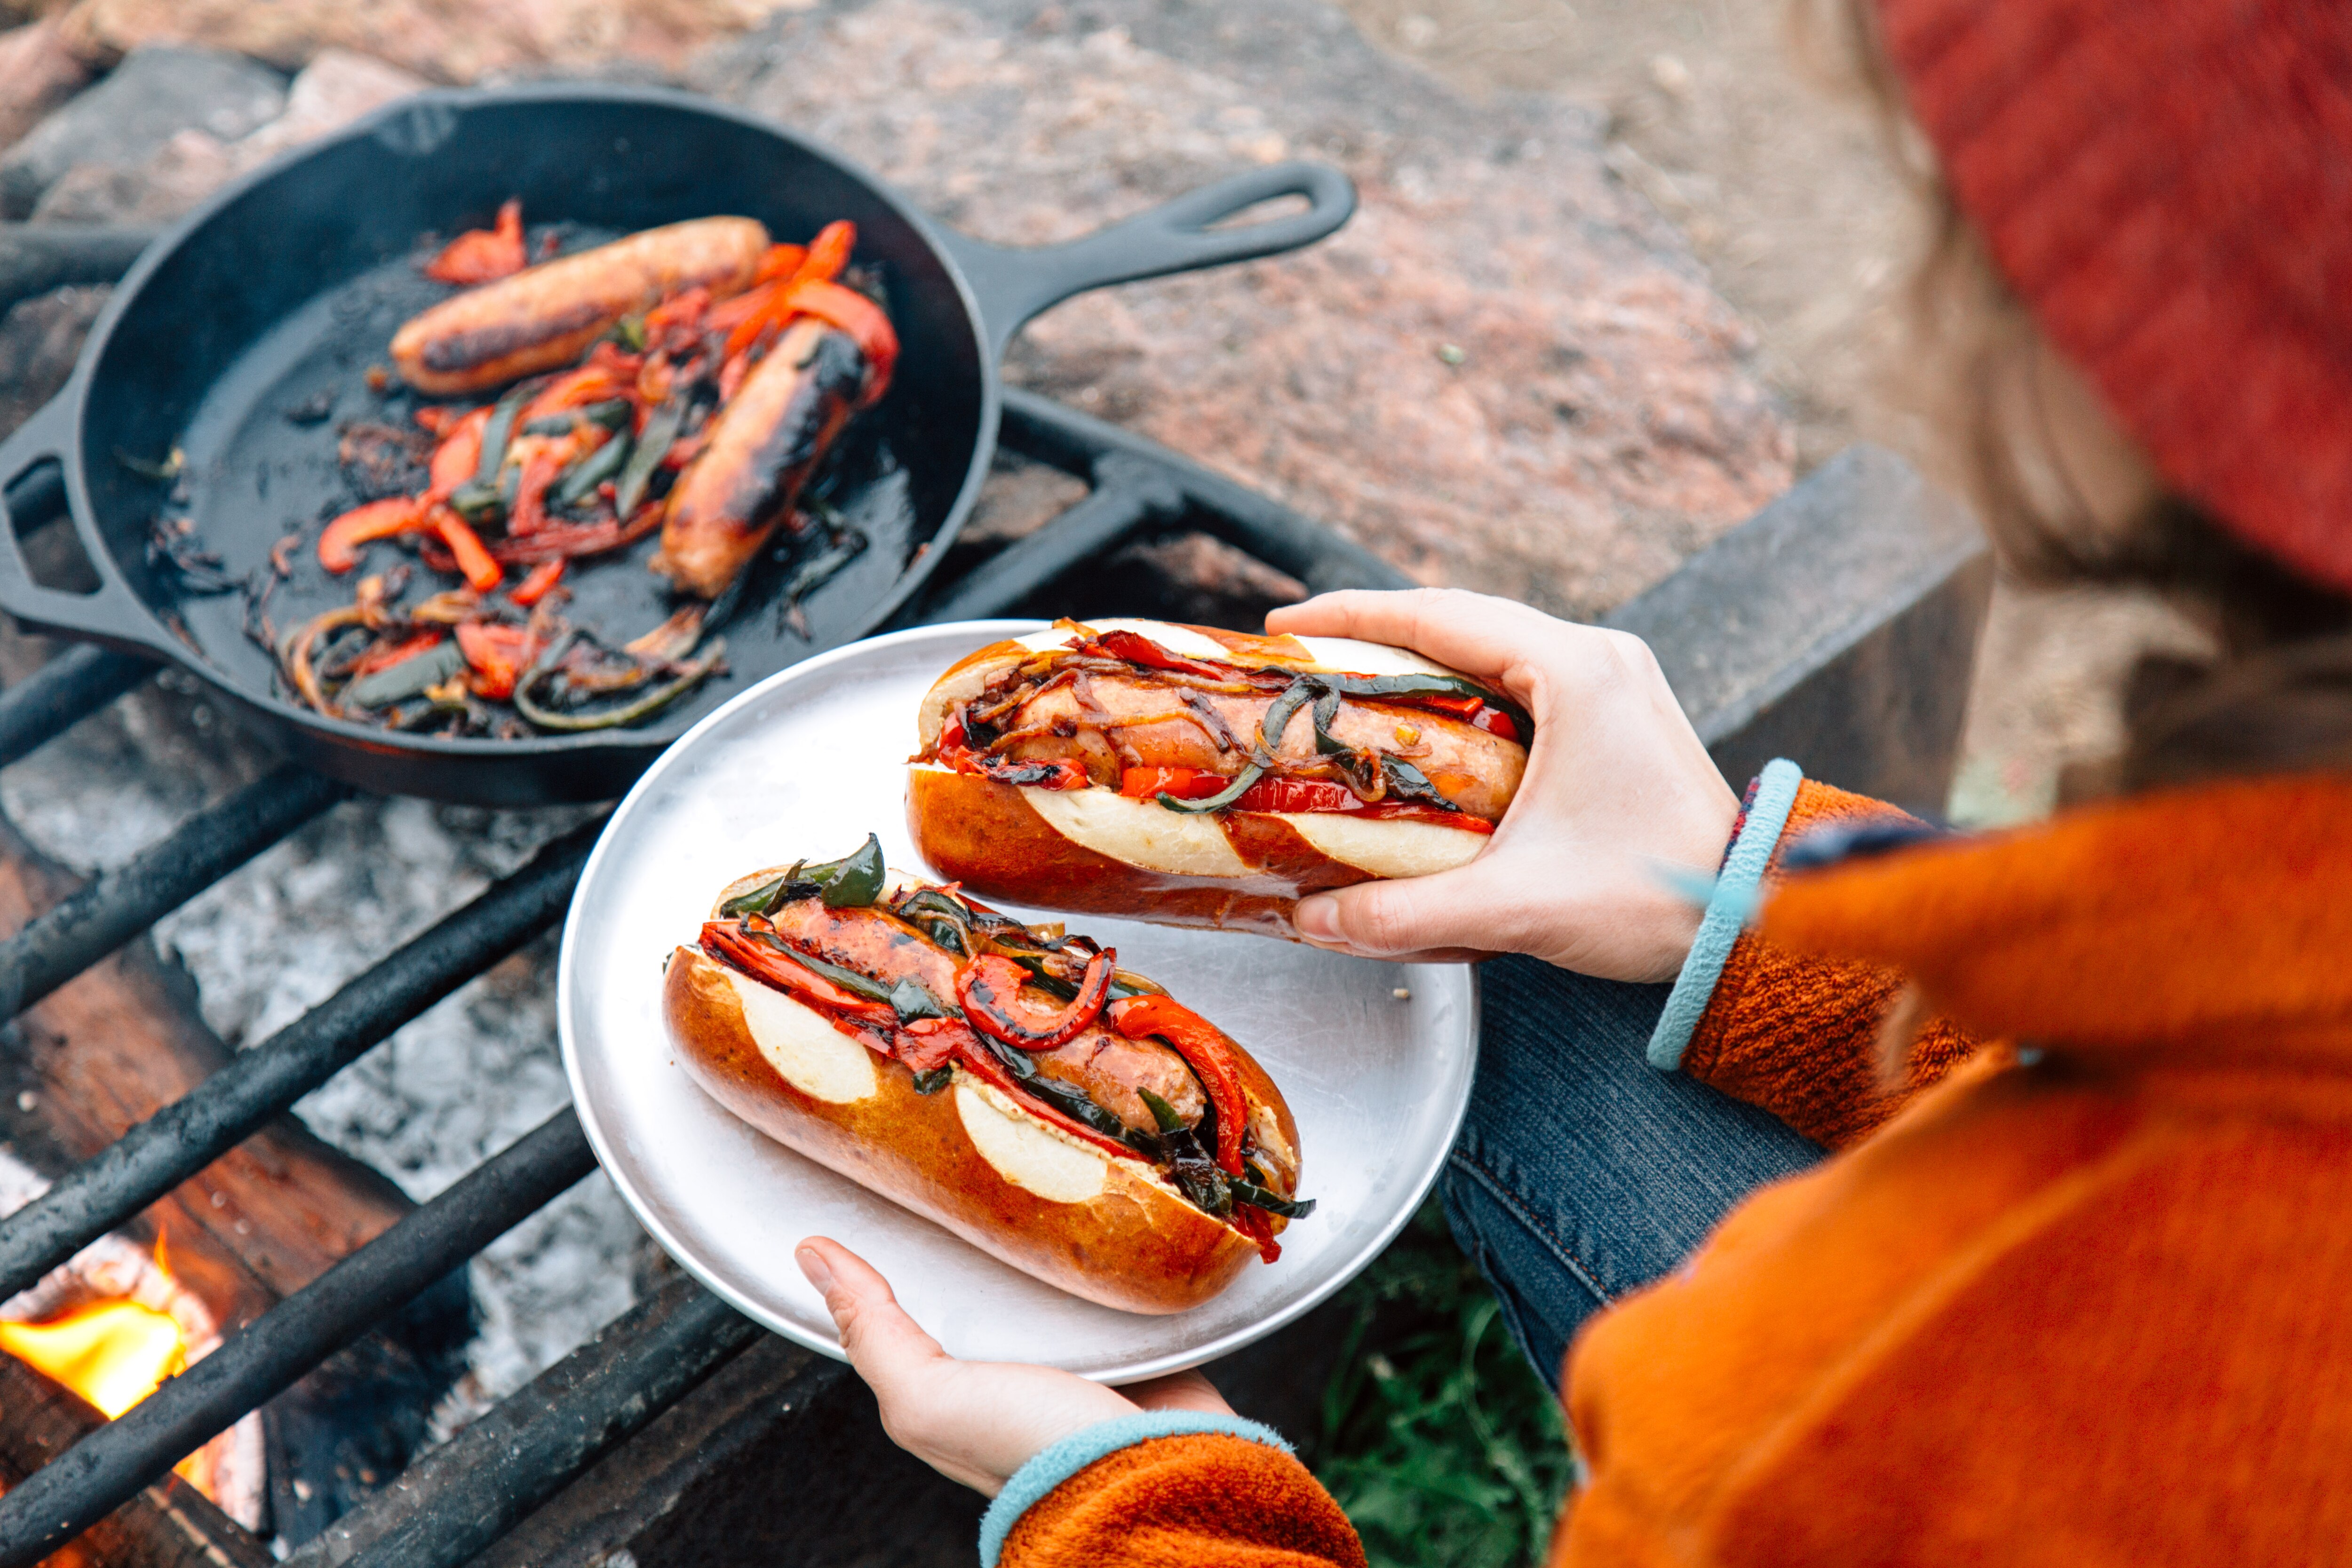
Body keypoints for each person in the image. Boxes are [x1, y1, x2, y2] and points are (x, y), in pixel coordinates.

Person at [792, 0, 2352, 1560]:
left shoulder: (1816, 1439)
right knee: (1499, 951)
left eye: (1959, 195)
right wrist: (1727, 902)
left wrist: (1138, 1504)